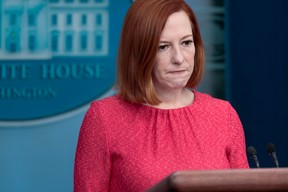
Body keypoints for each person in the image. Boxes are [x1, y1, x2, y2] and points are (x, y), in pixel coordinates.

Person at [74, 0, 249, 191]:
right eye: (163, 46)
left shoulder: (223, 115)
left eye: (186, 43)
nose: (179, 58)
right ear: (139, 52)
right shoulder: (104, 118)